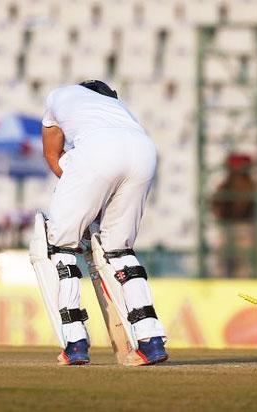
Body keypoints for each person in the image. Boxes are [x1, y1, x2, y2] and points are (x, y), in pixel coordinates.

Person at [37, 80, 167, 365]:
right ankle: (152, 341)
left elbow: (51, 154)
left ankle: (75, 343)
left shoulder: (59, 95)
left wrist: (80, 207)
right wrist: (89, 202)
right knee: (119, 250)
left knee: (59, 246)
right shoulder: (119, 108)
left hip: (98, 152)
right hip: (144, 152)